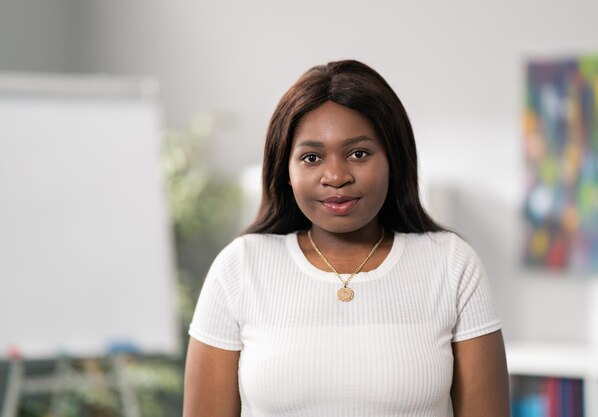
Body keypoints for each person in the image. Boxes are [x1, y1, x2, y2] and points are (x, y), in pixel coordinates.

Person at [183, 59, 510, 417]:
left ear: (393, 160)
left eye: (358, 153)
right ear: (286, 171)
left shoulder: (452, 264)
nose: (336, 176)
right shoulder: (239, 268)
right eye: (311, 157)